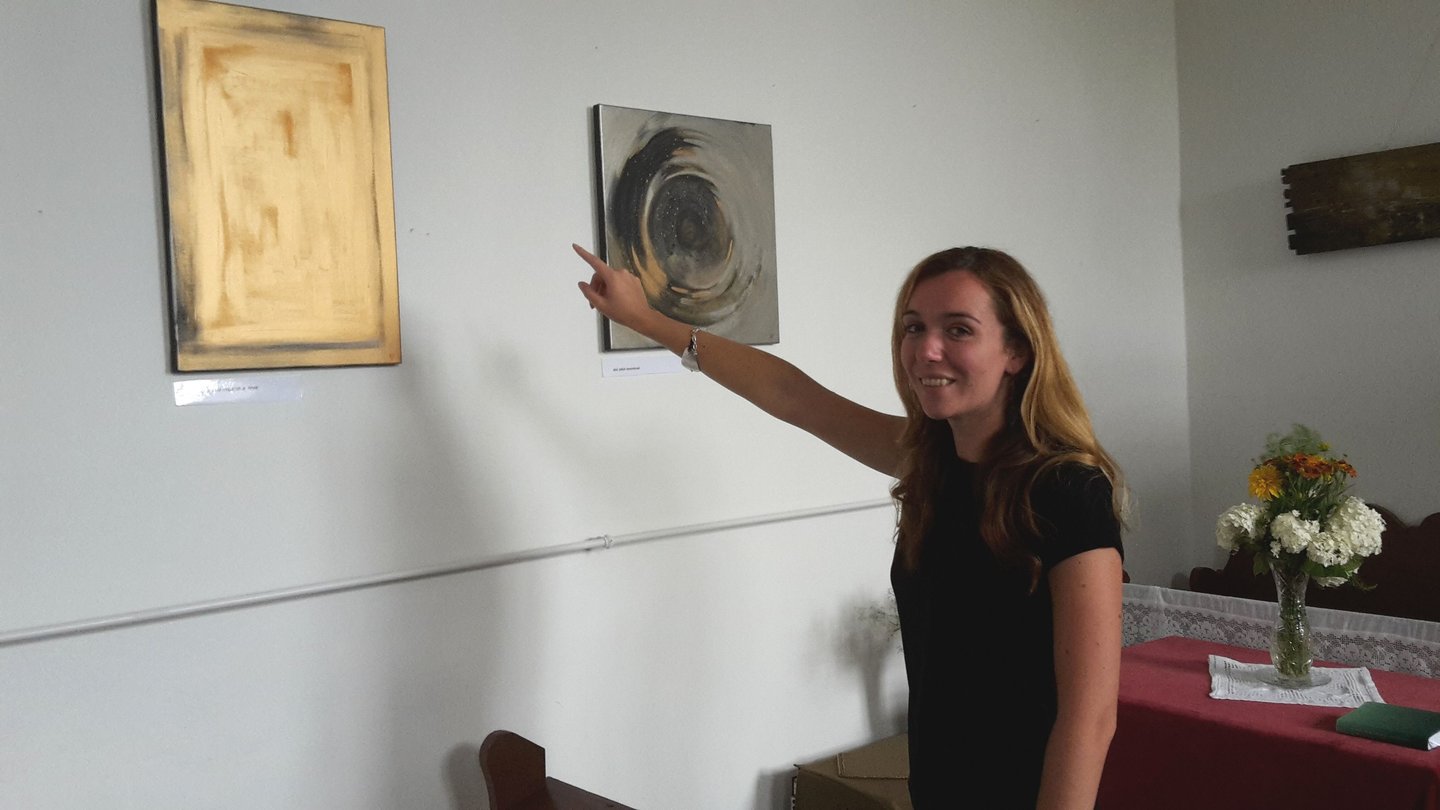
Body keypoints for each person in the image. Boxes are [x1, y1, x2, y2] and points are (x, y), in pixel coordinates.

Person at [574, 243, 1125, 809]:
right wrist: (646, 320)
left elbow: (1089, 720)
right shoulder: (931, 462)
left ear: (1017, 350)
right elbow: (792, 396)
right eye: (914, 327)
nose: (926, 350)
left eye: (959, 330)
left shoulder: (1068, 492)